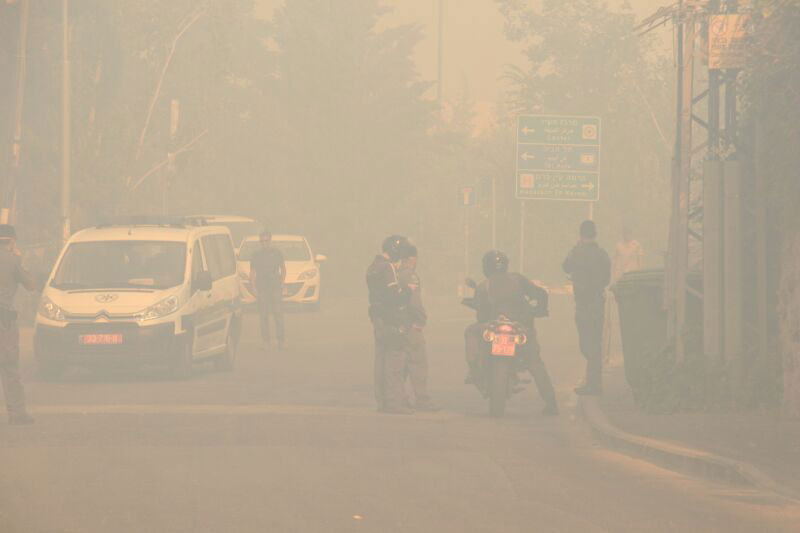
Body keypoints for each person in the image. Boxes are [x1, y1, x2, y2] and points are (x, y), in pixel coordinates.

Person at [463, 250, 558, 416]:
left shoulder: (483, 285)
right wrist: (540, 310)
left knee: (470, 331)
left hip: (493, 326)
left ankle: (474, 368)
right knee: (535, 363)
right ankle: (551, 402)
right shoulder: (517, 279)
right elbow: (541, 294)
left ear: (486, 267)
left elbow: (481, 315)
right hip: (520, 328)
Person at [366, 235, 415, 414]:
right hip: (390, 319)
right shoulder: (387, 268)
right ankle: (395, 403)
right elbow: (393, 296)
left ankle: (382, 402)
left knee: (380, 361)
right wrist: (408, 290)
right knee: (394, 361)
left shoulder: (372, 267)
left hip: (377, 319)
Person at [562, 220, 611, 396]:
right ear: (595, 234)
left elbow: (565, 266)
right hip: (597, 304)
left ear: (581, 234)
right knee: (594, 344)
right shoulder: (602, 254)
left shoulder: (576, 252)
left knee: (586, 345)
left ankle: (593, 384)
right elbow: (606, 279)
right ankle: (594, 383)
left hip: (583, 305)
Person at [0, 225, 36, 425]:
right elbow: (31, 285)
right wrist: (20, 260)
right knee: (9, 367)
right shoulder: (13, 260)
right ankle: (17, 413)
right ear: (12, 241)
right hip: (4, 321)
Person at [397, 246, 439, 412]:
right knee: (418, 363)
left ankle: (400, 398)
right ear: (412, 259)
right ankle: (422, 400)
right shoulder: (410, 275)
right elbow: (414, 301)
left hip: (399, 324)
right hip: (411, 325)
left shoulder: (395, 273)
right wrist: (421, 319)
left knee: (401, 364)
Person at [604, 226, 644, 363]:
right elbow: (614, 263)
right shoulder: (618, 246)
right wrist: (612, 279)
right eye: (625, 233)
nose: (626, 235)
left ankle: (631, 330)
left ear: (631, 234)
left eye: (628, 233)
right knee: (619, 307)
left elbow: (640, 263)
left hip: (633, 279)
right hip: (620, 279)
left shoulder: (636, 245)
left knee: (632, 307)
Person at [249, 230, 286, 349]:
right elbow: (252, 272)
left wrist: (282, 282)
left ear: (270, 240)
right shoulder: (256, 255)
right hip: (262, 288)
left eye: (266, 240)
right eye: (262, 241)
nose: (264, 243)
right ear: (260, 242)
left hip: (275, 287)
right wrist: (253, 287)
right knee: (263, 316)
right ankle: (266, 341)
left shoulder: (277, 253)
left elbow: (283, 268)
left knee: (278, 314)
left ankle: (281, 340)